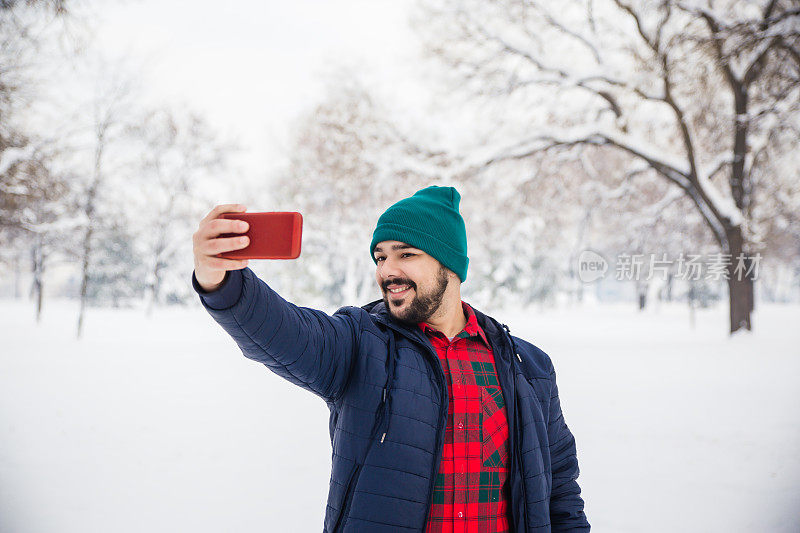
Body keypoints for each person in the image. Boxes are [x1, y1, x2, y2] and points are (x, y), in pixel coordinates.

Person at [191, 185, 590, 532]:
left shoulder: (527, 367)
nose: (387, 271)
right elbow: (284, 332)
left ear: (449, 264)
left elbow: (559, 487)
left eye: (406, 255)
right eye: (380, 257)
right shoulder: (362, 344)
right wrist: (222, 280)